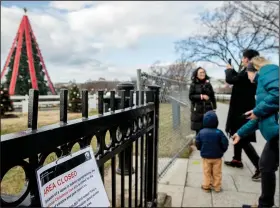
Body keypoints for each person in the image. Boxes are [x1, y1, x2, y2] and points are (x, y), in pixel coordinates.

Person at [231, 57, 279, 208]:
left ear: (254, 70)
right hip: (274, 134)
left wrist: (257, 110)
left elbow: (277, 94)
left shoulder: (269, 71)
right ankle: (265, 204)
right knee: (265, 165)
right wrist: (240, 133)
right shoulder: (264, 80)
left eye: (248, 74)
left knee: (266, 165)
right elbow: (259, 118)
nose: (249, 78)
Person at [224, 49, 260, 181]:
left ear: (248, 59)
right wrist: (232, 69)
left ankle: (259, 166)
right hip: (240, 108)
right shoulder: (247, 72)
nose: (242, 59)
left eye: (244, 57)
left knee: (242, 137)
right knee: (236, 133)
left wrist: (228, 70)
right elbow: (237, 78)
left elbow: (231, 79)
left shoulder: (249, 72)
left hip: (243, 109)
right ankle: (237, 159)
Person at [196, 111, 229, 193]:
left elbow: (197, 142)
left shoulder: (201, 132)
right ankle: (217, 187)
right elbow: (225, 142)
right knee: (217, 173)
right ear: (216, 122)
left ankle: (206, 186)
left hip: (206, 157)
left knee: (206, 172)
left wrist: (201, 149)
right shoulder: (219, 132)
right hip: (217, 157)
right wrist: (222, 150)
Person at [189, 67, 217, 135]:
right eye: (200, 72)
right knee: (199, 132)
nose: (202, 74)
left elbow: (212, 96)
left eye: (203, 72)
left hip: (208, 110)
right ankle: (199, 145)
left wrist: (214, 107)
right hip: (197, 111)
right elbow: (191, 96)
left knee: (208, 131)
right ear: (196, 74)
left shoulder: (208, 84)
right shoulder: (193, 84)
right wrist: (201, 96)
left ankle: (207, 145)